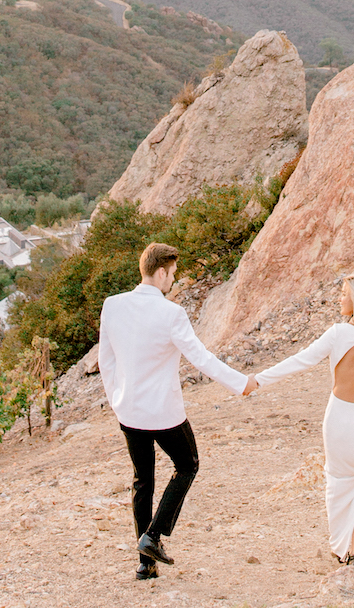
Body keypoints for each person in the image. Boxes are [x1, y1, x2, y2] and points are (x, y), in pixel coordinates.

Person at [98, 241, 258, 580]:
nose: (172, 280)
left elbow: (105, 360)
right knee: (187, 465)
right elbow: (201, 358)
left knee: (143, 481)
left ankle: (145, 564)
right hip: (164, 413)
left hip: (129, 412)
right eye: (171, 274)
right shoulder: (171, 313)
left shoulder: (112, 305)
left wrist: (117, 400)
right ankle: (152, 537)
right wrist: (240, 382)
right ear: (160, 272)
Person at [250, 273, 354, 574]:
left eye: (344, 293)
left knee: (340, 485)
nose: (340, 299)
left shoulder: (338, 333)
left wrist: (258, 380)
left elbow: (300, 360)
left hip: (341, 418)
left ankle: (343, 548)